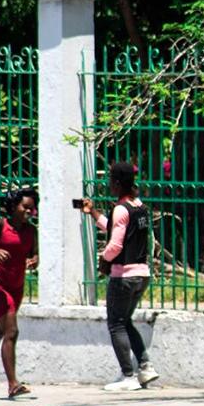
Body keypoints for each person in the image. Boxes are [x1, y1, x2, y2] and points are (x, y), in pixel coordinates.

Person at [80, 162, 160, 392]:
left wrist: (103, 258)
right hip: (141, 274)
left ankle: (128, 376)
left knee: (116, 324)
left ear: (116, 183)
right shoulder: (139, 207)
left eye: (110, 181)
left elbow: (115, 244)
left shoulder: (121, 209)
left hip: (123, 276)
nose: (108, 185)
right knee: (125, 320)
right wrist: (94, 213)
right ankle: (145, 367)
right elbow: (119, 229)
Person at [0, 188, 39, 398]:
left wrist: (34, 260)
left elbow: (34, 253)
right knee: (12, 332)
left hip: (16, 287)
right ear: (13, 207)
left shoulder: (31, 230)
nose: (29, 210)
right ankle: (13, 384)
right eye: (24, 206)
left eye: (32, 207)